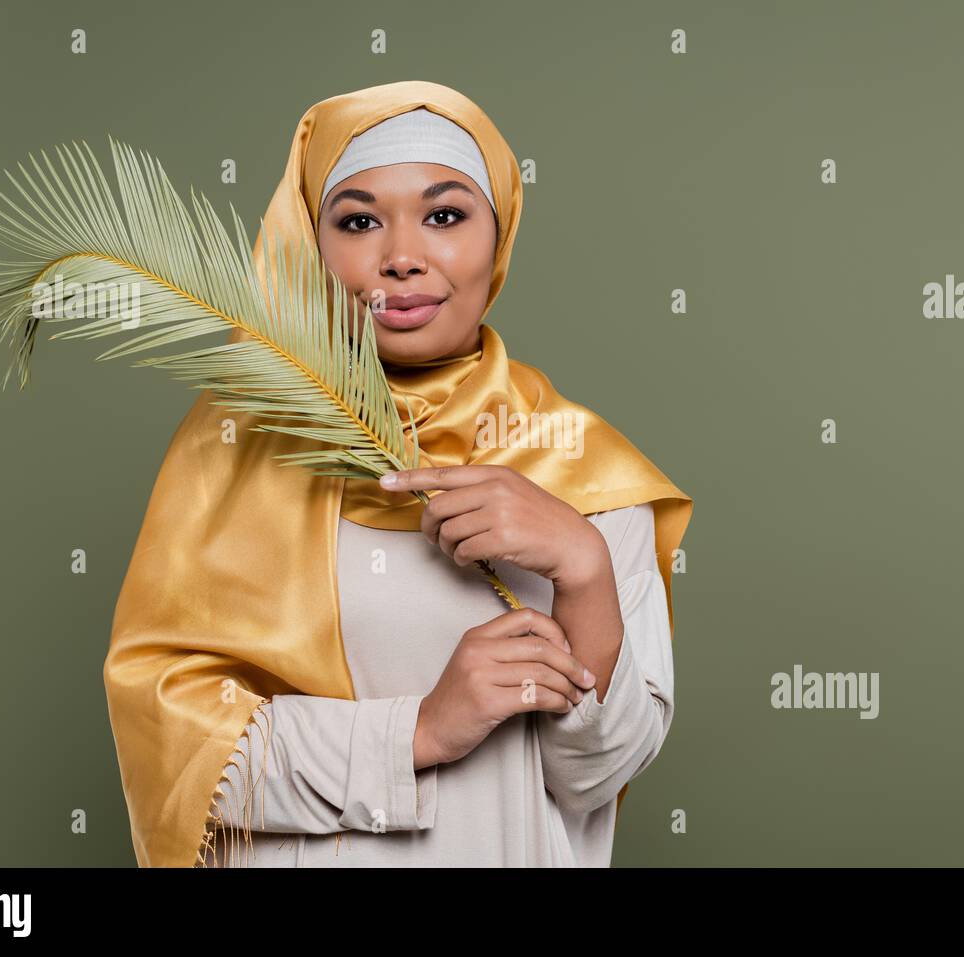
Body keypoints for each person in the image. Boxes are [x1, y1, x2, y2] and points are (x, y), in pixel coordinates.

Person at [102, 80, 693, 868]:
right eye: (358, 221)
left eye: (446, 214)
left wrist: (583, 569)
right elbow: (172, 755)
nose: (403, 257)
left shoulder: (582, 466)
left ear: (500, 232)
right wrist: (419, 729)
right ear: (311, 247)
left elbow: (593, 778)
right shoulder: (235, 446)